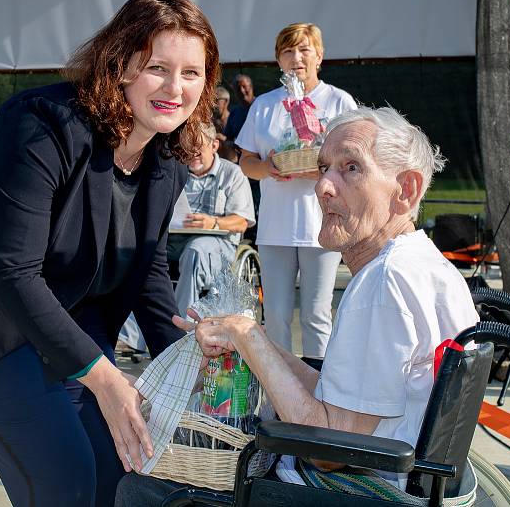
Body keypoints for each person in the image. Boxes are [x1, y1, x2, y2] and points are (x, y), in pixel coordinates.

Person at [0, 0, 220, 507]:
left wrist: (184, 363)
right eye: (158, 67)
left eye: (192, 73)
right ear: (120, 65)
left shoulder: (166, 156)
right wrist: (107, 380)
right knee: (63, 477)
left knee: (114, 472)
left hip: (65, 312)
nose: (175, 88)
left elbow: (147, 266)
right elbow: (13, 273)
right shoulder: (40, 124)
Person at [115, 106, 480, 506]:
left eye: (351, 168)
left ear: (405, 190)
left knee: (139, 487)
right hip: (409, 483)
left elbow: (325, 452)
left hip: (355, 492)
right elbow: (339, 405)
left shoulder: (384, 281)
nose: (323, 185)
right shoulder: (425, 264)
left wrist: (248, 334)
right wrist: (249, 344)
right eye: (324, 167)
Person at [236, 23, 356, 361]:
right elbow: (246, 161)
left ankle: (319, 395)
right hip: (275, 228)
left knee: (316, 315)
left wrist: (317, 169)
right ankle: (280, 399)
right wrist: (269, 168)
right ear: (278, 59)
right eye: (288, 51)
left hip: (324, 227)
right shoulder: (264, 104)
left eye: (304, 49)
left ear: (320, 55)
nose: (296, 58)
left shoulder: (339, 102)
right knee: (275, 317)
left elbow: (353, 161)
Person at [169, 122, 255, 315]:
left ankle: (182, 329)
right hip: (175, 240)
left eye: (197, 151)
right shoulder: (177, 172)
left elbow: (242, 222)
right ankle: (131, 335)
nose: (191, 157)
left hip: (218, 245)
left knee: (196, 249)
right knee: (141, 251)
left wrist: (214, 222)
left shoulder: (233, 174)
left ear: (214, 145)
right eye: (187, 152)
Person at [224, 73, 255, 143]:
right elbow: (229, 139)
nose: (242, 91)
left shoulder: (262, 106)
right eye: (238, 88)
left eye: (244, 86)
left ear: (251, 87)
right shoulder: (234, 113)